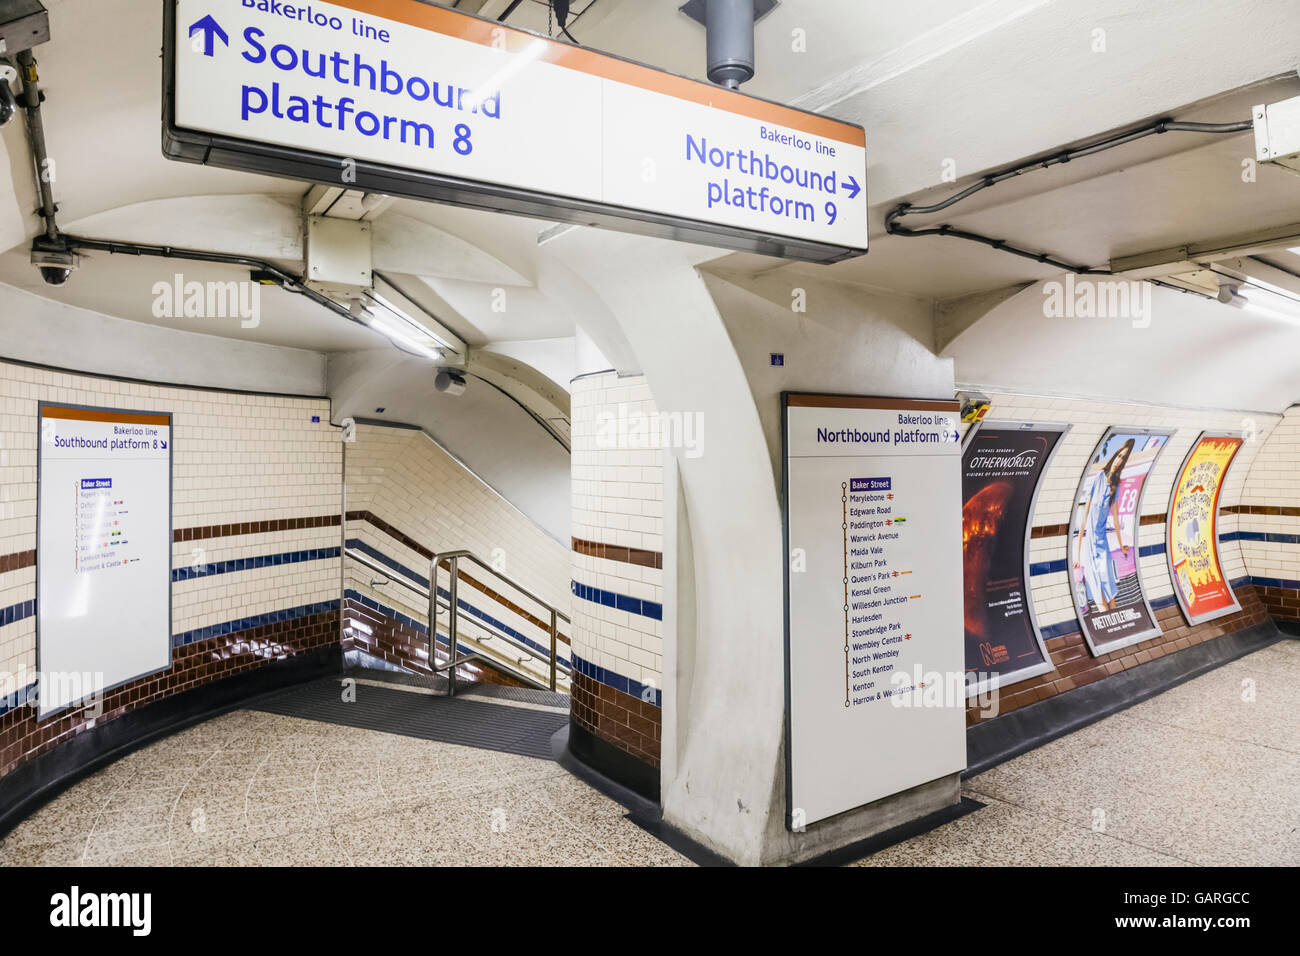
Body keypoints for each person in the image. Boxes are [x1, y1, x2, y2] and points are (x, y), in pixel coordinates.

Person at [1074, 438, 1135, 613]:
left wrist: (1122, 543)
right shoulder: (1099, 477)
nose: (1118, 460)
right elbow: (1085, 515)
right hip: (1089, 544)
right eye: (1118, 455)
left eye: (1123, 458)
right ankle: (1105, 619)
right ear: (1114, 455)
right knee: (1095, 585)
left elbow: (1115, 518)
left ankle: (1114, 620)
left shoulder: (1116, 486)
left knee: (1108, 585)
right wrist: (1078, 555)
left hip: (1102, 545)